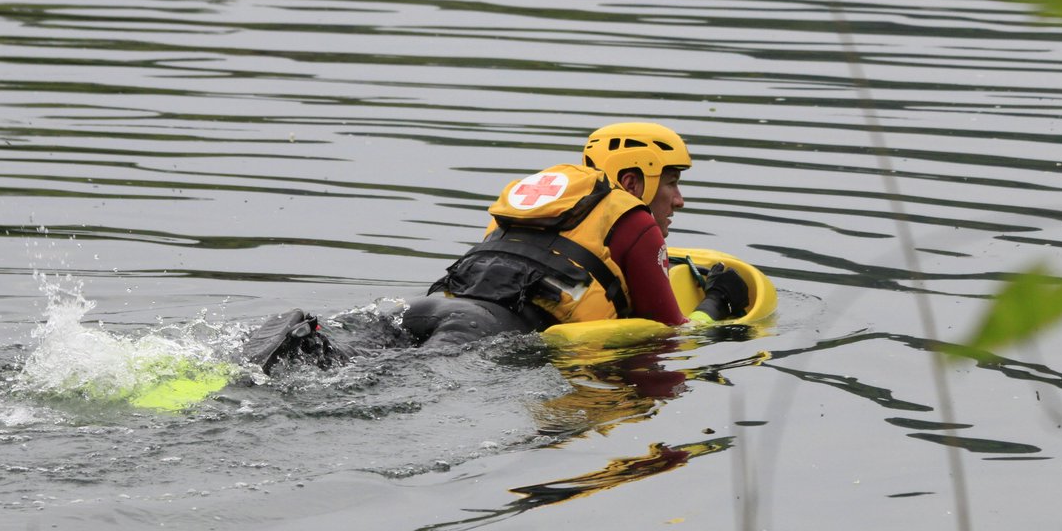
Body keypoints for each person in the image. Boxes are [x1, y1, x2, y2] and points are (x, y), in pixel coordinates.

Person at [244, 122, 749, 368]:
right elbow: (669, 334)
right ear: (636, 181)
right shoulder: (634, 221)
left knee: (340, 363)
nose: (679, 200)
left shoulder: (544, 200)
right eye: (672, 182)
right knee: (390, 384)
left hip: (427, 308)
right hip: (487, 333)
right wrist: (716, 302)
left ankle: (297, 336)